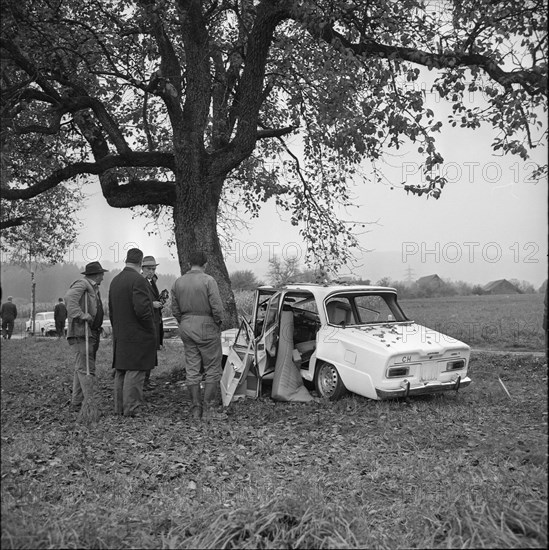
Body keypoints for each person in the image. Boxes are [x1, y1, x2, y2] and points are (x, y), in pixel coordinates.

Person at [171, 251, 225, 421]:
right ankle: (209, 408)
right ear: (205, 264)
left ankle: (196, 409)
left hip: (186, 326)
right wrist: (218, 321)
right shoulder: (208, 280)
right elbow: (217, 307)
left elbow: (175, 309)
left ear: (189, 264)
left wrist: (184, 321)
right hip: (207, 325)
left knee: (192, 369)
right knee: (212, 368)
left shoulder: (178, 282)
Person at [109, 248, 157, 417]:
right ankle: (132, 409)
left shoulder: (115, 280)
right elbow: (142, 310)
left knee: (121, 371)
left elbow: (112, 310)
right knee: (135, 372)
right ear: (140, 262)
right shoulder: (139, 281)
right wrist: (150, 329)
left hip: (120, 334)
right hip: (138, 335)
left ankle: (119, 408)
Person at [65, 262, 108, 411]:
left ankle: (76, 402)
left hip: (91, 332)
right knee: (86, 368)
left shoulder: (94, 288)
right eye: (102, 274)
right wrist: (81, 315)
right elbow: (69, 299)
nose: (103, 277)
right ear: (97, 275)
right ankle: (90, 403)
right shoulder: (82, 284)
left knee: (81, 367)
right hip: (81, 332)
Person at [141, 255, 164, 389]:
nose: (151, 271)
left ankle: (147, 379)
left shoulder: (152, 282)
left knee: (152, 352)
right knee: (147, 352)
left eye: (153, 269)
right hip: (147, 321)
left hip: (155, 320)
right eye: (149, 269)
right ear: (142, 268)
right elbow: (140, 301)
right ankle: (143, 381)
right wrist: (152, 304)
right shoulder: (140, 281)